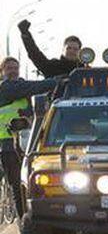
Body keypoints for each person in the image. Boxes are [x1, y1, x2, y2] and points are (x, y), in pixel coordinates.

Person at [0, 57, 57, 217]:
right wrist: (56, 81)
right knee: (18, 187)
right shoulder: (5, 88)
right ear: (2, 72)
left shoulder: (21, 88)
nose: (13, 71)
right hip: (8, 146)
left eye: (15, 67)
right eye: (9, 68)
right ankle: (23, 223)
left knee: (29, 185)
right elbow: (35, 86)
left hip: (26, 144)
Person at [18, 20, 83, 78]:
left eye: (75, 49)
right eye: (68, 48)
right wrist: (25, 34)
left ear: (80, 52)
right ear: (63, 50)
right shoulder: (53, 67)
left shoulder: (85, 70)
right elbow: (35, 55)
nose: (72, 51)